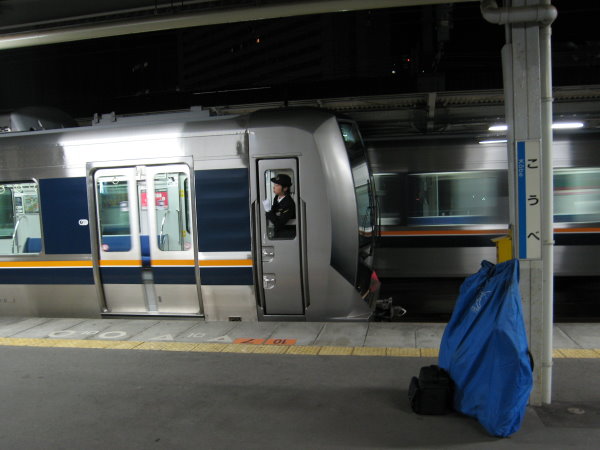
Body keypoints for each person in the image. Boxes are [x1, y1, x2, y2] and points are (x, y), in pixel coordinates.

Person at [263, 173, 296, 238]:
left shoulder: (289, 203)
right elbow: (274, 214)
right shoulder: (276, 198)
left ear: (285, 188)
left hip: (287, 237)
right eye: (274, 184)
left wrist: (268, 211)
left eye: (277, 185)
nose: (274, 187)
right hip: (278, 235)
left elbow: (279, 224)